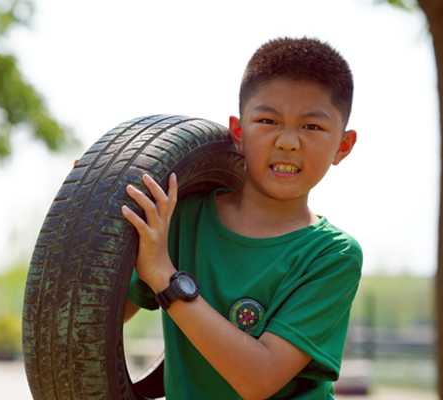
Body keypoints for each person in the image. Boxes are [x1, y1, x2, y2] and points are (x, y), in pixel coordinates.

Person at [121, 37, 362, 400]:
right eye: (267, 120)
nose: (288, 142)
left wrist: (164, 276)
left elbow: (259, 379)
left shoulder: (331, 255)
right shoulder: (178, 216)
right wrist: (90, 217)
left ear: (342, 146)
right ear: (238, 132)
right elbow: (97, 312)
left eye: (311, 127)